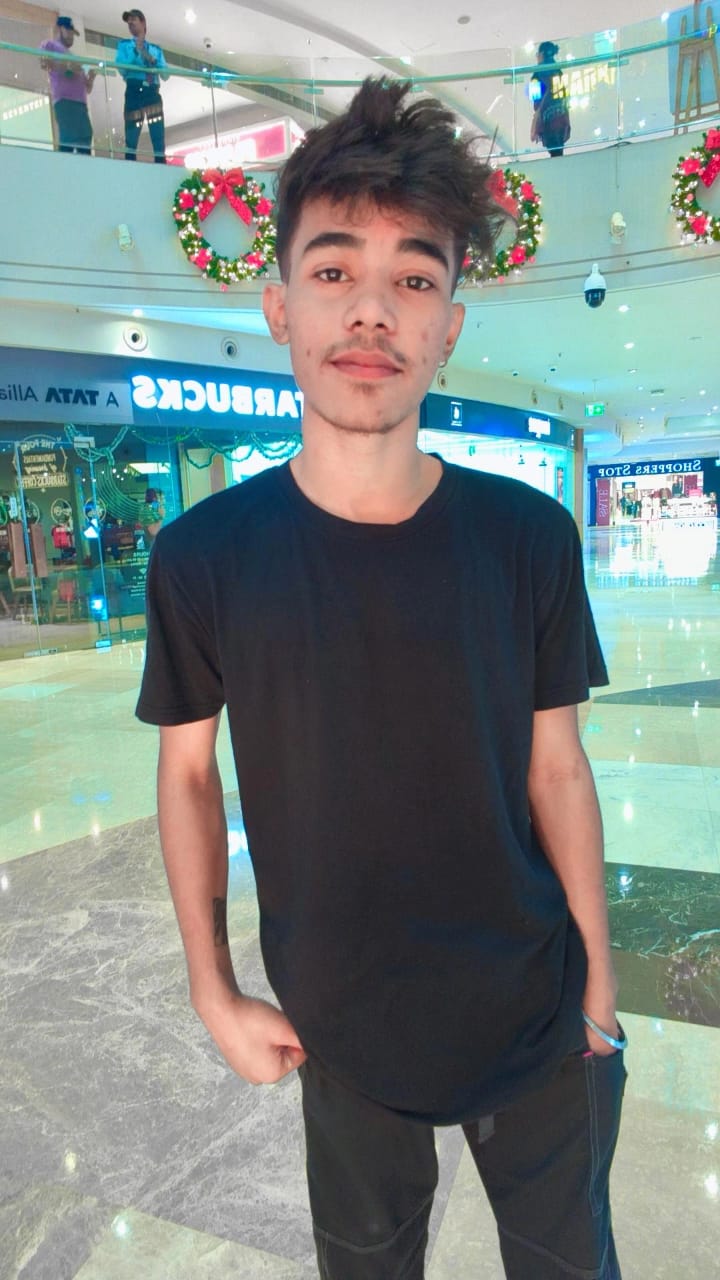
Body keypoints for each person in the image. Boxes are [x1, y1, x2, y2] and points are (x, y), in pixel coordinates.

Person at [136, 78, 625, 1280]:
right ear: (278, 304)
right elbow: (188, 771)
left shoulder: (527, 536)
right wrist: (213, 989)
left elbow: (556, 765)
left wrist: (601, 996)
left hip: (537, 1011)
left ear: (449, 323)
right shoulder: (205, 556)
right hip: (339, 1029)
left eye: (413, 278)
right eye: (333, 269)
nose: (371, 310)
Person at [115, 8, 168, 163]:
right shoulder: (124, 45)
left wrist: (150, 58)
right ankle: (130, 165)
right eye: (128, 21)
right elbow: (122, 69)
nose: (130, 23)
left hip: (152, 90)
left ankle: (161, 164)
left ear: (143, 23)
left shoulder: (155, 49)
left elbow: (166, 75)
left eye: (133, 19)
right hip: (134, 90)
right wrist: (136, 52)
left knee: (157, 133)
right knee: (131, 134)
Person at [39, 16, 96, 156]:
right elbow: (44, 63)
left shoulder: (72, 55)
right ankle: (64, 165)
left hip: (81, 104)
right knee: (68, 138)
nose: (71, 36)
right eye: (69, 31)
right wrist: (68, 67)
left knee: (85, 136)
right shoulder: (50, 45)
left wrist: (91, 78)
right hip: (65, 100)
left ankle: (84, 166)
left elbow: (87, 88)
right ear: (60, 29)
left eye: (72, 33)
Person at [530, 40, 571, 157]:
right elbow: (564, 94)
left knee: (554, 152)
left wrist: (537, 119)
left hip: (547, 120)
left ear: (541, 54)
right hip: (561, 117)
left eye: (537, 54)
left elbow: (536, 102)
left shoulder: (537, 75)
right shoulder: (558, 71)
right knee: (558, 151)